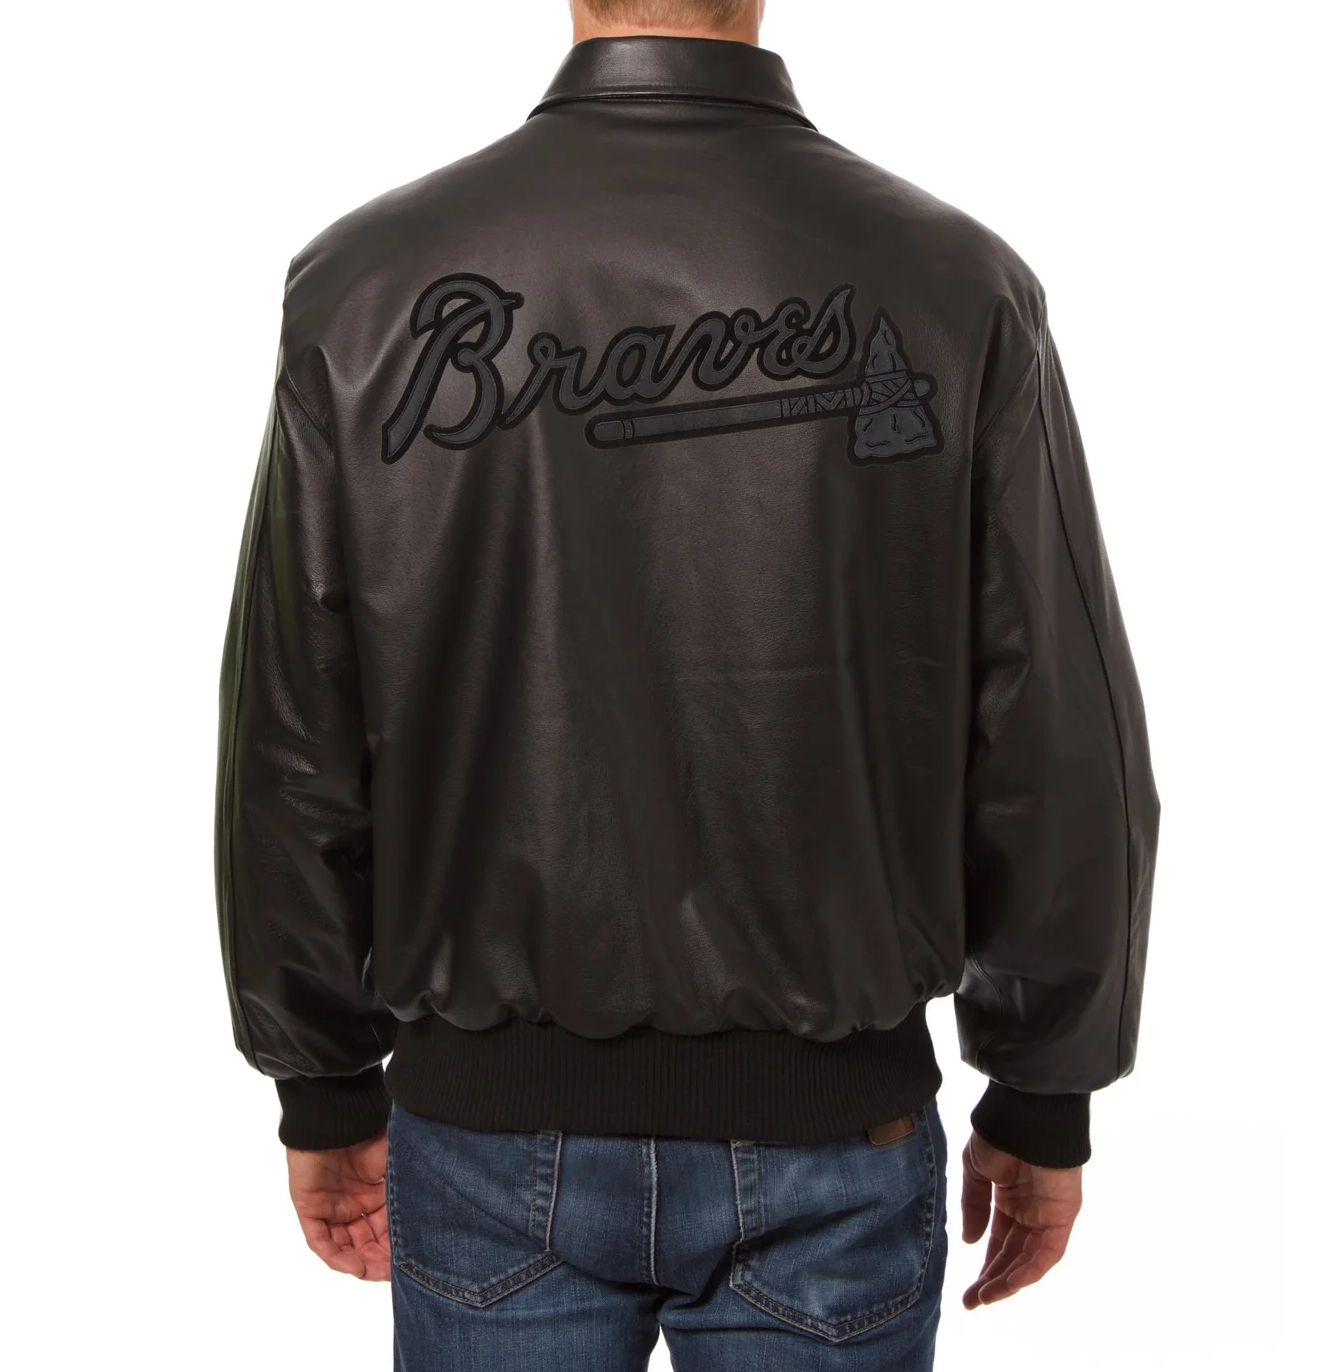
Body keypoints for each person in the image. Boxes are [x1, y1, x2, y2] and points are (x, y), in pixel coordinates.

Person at [213, 1, 1160, 1366]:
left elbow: (290, 733)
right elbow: (1059, 729)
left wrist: (321, 1079)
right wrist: (1045, 1086)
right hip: (834, 1129)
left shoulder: (364, 282)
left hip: (486, 1139)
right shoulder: (959, 282)